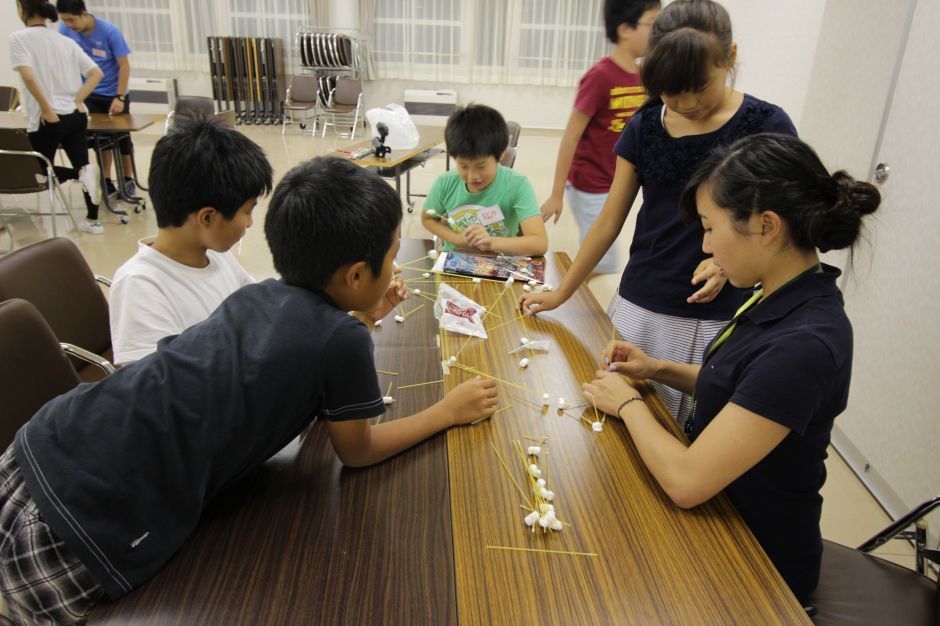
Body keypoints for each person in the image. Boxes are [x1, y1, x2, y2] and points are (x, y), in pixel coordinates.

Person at [0, 155, 498, 622]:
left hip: (44, 444)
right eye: (390, 258)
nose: (393, 269)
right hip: (76, 523)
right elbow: (358, 451)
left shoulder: (259, 293)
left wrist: (360, 314)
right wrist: (448, 411)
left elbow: (297, 351)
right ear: (356, 274)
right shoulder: (341, 339)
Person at [583, 133, 880, 602]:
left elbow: (686, 482)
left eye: (709, 226)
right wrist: (658, 368)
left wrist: (629, 404)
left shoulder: (806, 343)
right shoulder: (777, 291)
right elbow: (743, 390)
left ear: (766, 226)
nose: (705, 244)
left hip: (756, 562)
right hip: (722, 514)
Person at [521, 0, 796, 423]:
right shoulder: (646, 125)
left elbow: (780, 225)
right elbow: (608, 221)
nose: (686, 103)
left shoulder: (766, 125)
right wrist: (562, 292)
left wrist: (724, 263)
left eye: (699, 87)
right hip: (643, 300)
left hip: (719, 314)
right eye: (670, 90)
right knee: (615, 426)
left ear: (730, 58)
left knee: (690, 433)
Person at [109, 116, 270, 365]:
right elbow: (152, 390)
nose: (249, 223)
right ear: (207, 218)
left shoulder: (215, 255)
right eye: (247, 211)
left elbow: (256, 307)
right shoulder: (140, 285)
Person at [540, 0, 660, 276]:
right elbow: (571, 137)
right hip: (591, 183)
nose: (658, 32)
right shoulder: (600, 76)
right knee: (601, 258)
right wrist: (557, 193)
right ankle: (566, 294)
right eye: (652, 24)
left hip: (617, 180)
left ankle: (570, 290)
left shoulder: (643, 76)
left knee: (600, 254)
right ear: (625, 29)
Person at [9, 0, 104, 234]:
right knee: (82, 161)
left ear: (22, 9)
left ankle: (79, 175)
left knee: (39, 173)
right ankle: (94, 221)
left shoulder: (19, 38)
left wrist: (47, 108)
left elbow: (29, 77)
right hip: (75, 116)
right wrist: (78, 100)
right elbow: (95, 73)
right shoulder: (65, 41)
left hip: (47, 119)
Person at [421, 104, 548, 257]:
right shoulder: (445, 183)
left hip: (501, 264)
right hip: (455, 262)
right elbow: (428, 218)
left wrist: (491, 242)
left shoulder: (517, 184)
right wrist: (456, 239)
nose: (472, 176)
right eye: (463, 166)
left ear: (500, 155)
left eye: (481, 166)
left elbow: (539, 243)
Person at [56, 0, 135, 197]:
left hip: (114, 93)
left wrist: (120, 96)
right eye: (65, 21)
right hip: (89, 93)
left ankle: (128, 179)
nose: (69, 25)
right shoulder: (65, 31)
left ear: (84, 13)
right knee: (101, 140)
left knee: (122, 139)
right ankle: (106, 180)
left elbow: (124, 66)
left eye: (72, 20)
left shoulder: (109, 31)